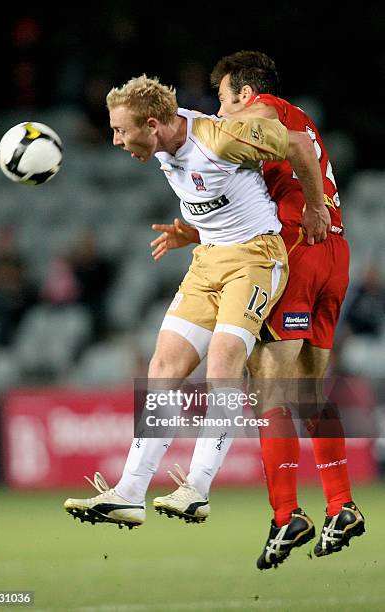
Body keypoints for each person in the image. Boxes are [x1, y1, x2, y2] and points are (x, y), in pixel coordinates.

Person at [64, 73, 328, 533]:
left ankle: (198, 489)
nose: (115, 140)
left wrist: (314, 206)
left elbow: (301, 144)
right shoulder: (165, 145)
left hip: (255, 259)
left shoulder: (219, 137)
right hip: (208, 262)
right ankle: (129, 492)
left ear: (151, 124)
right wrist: (194, 231)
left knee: (223, 364)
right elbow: (214, 195)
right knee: (163, 367)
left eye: (121, 130)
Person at [150, 51, 365, 569]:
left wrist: (309, 207)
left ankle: (287, 512)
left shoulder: (261, 111)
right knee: (307, 391)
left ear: (244, 94)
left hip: (295, 249)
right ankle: (341, 503)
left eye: (223, 101)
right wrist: (195, 230)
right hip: (334, 255)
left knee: (266, 387)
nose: (221, 114)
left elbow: (271, 141)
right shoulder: (299, 117)